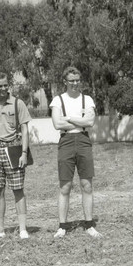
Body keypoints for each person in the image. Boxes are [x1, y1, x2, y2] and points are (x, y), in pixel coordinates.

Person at [49, 66, 102, 238]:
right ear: (65, 81)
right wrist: (81, 121)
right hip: (66, 142)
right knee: (65, 186)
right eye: (71, 80)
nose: (74, 83)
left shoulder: (87, 100)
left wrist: (69, 118)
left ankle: (89, 224)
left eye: (77, 80)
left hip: (84, 141)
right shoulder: (58, 100)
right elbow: (57, 124)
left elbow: (90, 122)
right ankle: (62, 226)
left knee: (87, 184)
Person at [0, 71, 32, 244]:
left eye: (5, 85)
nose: (3, 88)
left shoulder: (18, 104)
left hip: (14, 149)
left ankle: (23, 229)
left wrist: (24, 153)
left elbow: (24, 130)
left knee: (18, 189)